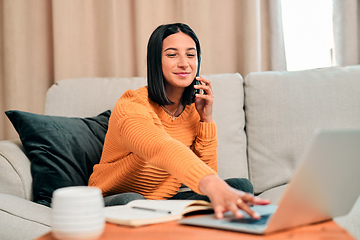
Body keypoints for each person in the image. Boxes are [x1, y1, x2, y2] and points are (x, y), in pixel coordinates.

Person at [88, 23, 269, 219]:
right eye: (172, 55)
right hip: (114, 198)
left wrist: (205, 120)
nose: (184, 63)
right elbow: (160, 147)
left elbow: (206, 172)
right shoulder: (132, 105)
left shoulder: (192, 109)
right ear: (156, 61)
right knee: (132, 203)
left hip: (166, 200)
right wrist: (211, 183)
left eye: (190, 55)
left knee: (241, 186)